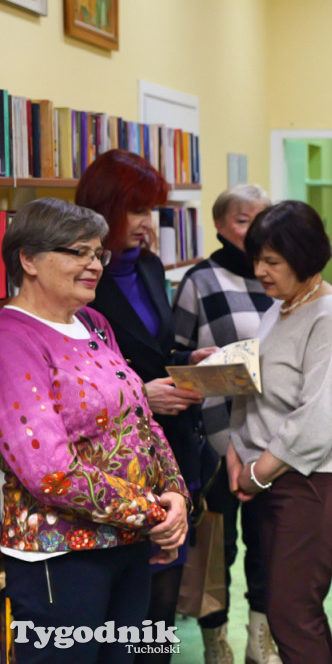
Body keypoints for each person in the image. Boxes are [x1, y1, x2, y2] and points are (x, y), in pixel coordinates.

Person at [0, 198, 189, 664]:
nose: (93, 265)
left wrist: (176, 495)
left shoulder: (94, 323)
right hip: (61, 558)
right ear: (28, 260)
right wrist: (151, 512)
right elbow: (50, 471)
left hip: (127, 543)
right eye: (78, 252)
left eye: (97, 253)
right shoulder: (12, 338)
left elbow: (140, 419)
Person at [76, 149, 217, 664]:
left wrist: (188, 360)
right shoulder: (84, 280)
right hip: (114, 462)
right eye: (135, 211)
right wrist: (142, 394)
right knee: (123, 611)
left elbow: (151, 351)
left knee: (159, 609)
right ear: (103, 208)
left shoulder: (152, 267)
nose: (145, 224)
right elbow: (80, 376)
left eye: (150, 211)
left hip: (171, 452)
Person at [227, 200, 332, 663]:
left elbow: (319, 416)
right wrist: (235, 449)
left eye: (272, 261)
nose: (260, 272)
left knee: (292, 610)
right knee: (279, 604)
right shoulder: (282, 307)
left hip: (316, 480)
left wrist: (257, 473)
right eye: (256, 260)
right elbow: (258, 384)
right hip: (274, 474)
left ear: (304, 258)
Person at [171, 184, 281, 664]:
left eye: (263, 218)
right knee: (219, 545)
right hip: (216, 438)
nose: (255, 230)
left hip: (273, 440)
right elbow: (173, 353)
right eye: (243, 220)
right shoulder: (201, 280)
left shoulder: (284, 277)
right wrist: (195, 362)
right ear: (218, 225)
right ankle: (215, 638)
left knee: (269, 544)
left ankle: (261, 638)